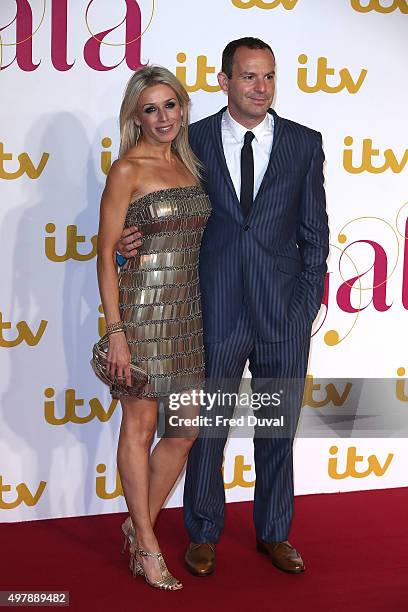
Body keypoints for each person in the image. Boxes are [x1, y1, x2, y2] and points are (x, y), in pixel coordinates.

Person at [117, 37, 329, 576]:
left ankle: (275, 533)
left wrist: (303, 307)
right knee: (205, 428)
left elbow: (315, 234)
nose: (261, 88)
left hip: (283, 312)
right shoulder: (193, 139)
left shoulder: (305, 144)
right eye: (250, 77)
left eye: (269, 77)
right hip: (213, 308)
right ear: (225, 80)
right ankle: (203, 531)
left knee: (278, 427)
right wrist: (127, 242)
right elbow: (159, 208)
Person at [96, 65, 211, 590]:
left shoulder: (191, 166)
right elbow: (104, 256)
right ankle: (147, 542)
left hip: (187, 318)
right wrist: (115, 330)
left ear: (182, 108)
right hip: (141, 316)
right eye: (151, 109)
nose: (163, 117)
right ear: (135, 116)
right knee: (138, 430)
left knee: (184, 434)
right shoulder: (126, 169)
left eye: (170, 105)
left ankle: (133, 522)